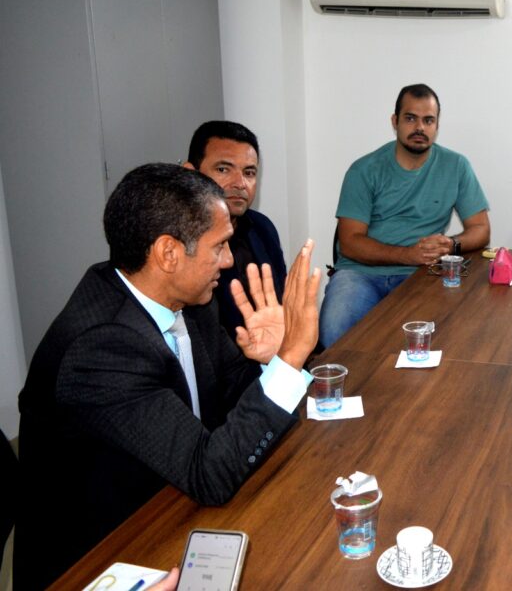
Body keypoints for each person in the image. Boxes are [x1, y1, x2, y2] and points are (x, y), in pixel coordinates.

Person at [15, 164, 321, 589]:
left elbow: (235, 404)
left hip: (177, 501)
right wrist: (290, 359)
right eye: (219, 246)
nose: (229, 260)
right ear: (168, 253)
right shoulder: (101, 347)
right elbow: (209, 474)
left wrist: (271, 361)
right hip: (105, 557)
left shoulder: (188, 300)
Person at [319, 83, 490, 348]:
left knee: (445, 337)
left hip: (422, 274)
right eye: (410, 118)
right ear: (395, 121)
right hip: (359, 273)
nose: (420, 127)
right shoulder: (364, 170)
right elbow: (350, 243)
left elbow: (481, 228)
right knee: (335, 332)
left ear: (437, 125)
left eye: (428, 120)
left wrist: (451, 244)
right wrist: (407, 255)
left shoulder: (456, 166)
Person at [184, 120, 287, 337]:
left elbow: (282, 303)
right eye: (223, 169)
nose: (240, 183)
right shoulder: (178, 240)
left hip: (271, 349)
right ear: (191, 174)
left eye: (249, 172)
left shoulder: (263, 227)